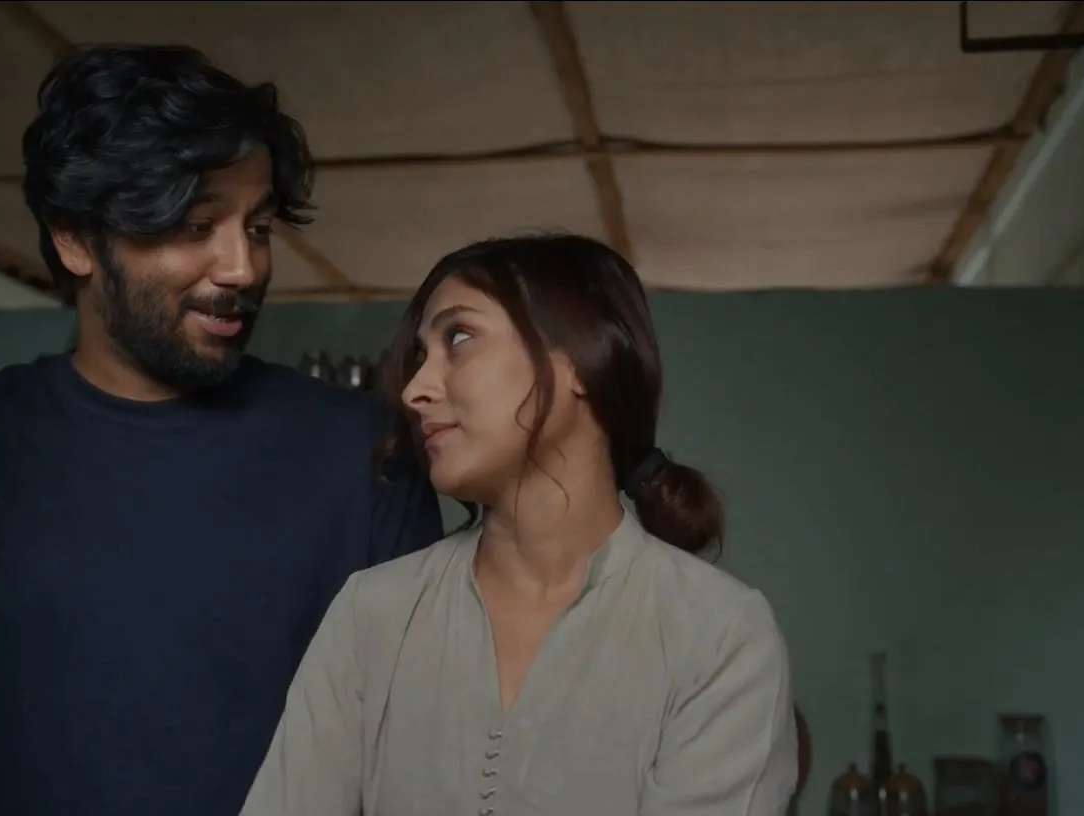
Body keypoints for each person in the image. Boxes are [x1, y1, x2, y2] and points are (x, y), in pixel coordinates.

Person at [0, 45, 443, 816]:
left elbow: (418, 757)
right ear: (76, 239)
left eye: (258, 226)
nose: (242, 266)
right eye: (196, 224)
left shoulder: (367, 457)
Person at [241, 234, 799, 815]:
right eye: (420, 357)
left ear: (581, 360)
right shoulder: (370, 615)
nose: (414, 390)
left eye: (459, 338)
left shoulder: (720, 636)